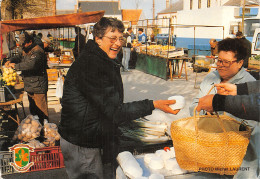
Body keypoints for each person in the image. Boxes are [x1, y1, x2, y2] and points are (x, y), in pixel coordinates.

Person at [58, 17, 180, 179]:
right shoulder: (91, 65)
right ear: (98, 39)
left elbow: (110, 104)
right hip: (83, 143)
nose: (117, 43)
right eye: (112, 38)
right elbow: (113, 110)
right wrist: (152, 104)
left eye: (120, 38)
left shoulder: (102, 59)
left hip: (90, 135)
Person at [189, 38, 256, 116]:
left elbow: (251, 124)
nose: (220, 65)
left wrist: (220, 103)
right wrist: (207, 111)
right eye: (219, 60)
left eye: (226, 62)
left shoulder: (249, 85)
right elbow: (193, 108)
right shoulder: (211, 77)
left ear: (240, 63)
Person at [5, 32, 48, 125]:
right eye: (21, 44)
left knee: (41, 112)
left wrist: (15, 66)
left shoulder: (37, 51)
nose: (22, 46)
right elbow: (19, 56)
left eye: (24, 44)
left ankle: (45, 132)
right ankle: (36, 132)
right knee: (33, 111)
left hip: (38, 85)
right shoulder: (25, 49)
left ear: (30, 42)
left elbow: (30, 65)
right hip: (30, 85)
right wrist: (10, 60)